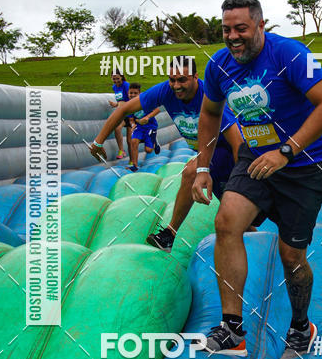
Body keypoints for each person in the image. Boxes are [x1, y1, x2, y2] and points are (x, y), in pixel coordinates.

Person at [193, 0, 322, 359]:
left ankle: (301, 326)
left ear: (261, 25)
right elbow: (210, 113)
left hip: (306, 164)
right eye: (226, 30)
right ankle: (232, 329)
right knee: (227, 222)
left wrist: (286, 151)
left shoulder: (291, 54)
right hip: (257, 156)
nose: (233, 37)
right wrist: (202, 167)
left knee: (291, 255)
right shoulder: (219, 66)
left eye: (241, 28)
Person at [89, 57, 243, 251]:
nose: (176, 86)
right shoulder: (165, 91)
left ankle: (169, 234)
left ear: (195, 77)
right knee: (241, 221)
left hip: (225, 150)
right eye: (172, 80)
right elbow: (124, 109)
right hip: (207, 154)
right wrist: (98, 142)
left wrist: (242, 176)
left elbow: (237, 140)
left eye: (182, 80)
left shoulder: (208, 95)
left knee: (190, 172)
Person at [127, 83, 160, 172]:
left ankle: (154, 141)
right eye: (131, 93)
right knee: (133, 141)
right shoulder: (129, 106)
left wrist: (147, 117)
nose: (133, 95)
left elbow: (157, 110)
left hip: (150, 126)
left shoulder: (145, 101)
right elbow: (131, 119)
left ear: (140, 94)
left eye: (135, 93)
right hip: (139, 127)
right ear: (128, 93)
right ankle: (134, 165)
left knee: (148, 150)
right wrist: (133, 125)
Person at [109, 72, 132, 159]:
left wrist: (120, 104)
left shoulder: (126, 85)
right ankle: (121, 150)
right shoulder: (114, 87)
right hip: (122, 113)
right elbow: (120, 100)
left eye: (118, 78)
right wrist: (116, 104)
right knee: (117, 128)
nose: (116, 81)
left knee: (129, 140)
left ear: (121, 77)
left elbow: (131, 99)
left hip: (130, 113)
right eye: (114, 79)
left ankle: (132, 160)